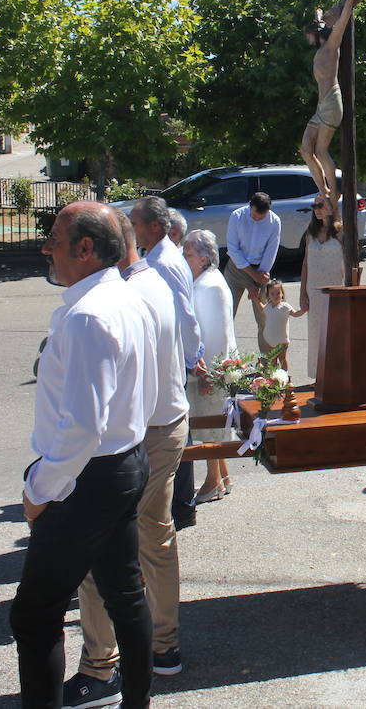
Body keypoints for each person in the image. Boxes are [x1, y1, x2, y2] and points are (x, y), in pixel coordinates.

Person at [9, 202, 156, 709]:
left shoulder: (91, 314)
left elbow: (83, 428)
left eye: (55, 237)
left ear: (86, 249)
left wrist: (38, 490)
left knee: (34, 614)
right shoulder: (121, 296)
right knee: (124, 595)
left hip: (88, 478)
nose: (47, 247)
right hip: (120, 464)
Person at [64, 211, 189, 708]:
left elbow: (99, 395)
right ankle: (164, 645)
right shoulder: (153, 279)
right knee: (154, 537)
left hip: (138, 434)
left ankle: (100, 668)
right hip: (161, 423)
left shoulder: (119, 296)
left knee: (100, 550)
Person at [130, 196, 205, 534]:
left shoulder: (163, 263)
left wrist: (192, 358)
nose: (131, 230)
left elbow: (185, 314)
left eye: (135, 224)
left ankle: (182, 506)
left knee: (174, 429)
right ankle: (181, 505)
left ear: (155, 227)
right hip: (172, 356)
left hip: (173, 358)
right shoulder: (157, 256)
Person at [300, 0, 366, 205]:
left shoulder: (331, 46)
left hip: (333, 103)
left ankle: (333, 193)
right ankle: (324, 189)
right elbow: (322, 20)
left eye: (308, 36)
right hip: (321, 106)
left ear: (315, 35)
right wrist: (317, 15)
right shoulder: (318, 51)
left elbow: (343, 21)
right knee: (306, 150)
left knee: (321, 151)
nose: (307, 40)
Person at [181, 228, 236, 503]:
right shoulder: (203, 280)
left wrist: (209, 375)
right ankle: (223, 476)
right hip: (206, 368)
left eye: (188, 253)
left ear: (203, 258)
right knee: (208, 426)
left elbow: (218, 334)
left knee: (210, 428)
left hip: (210, 370)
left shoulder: (212, 285)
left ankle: (212, 480)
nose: (184, 257)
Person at [224, 192, 282, 349]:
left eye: (262, 215)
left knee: (264, 318)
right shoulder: (237, 216)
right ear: (250, 206)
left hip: (261, 271)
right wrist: (252, 275)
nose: (257, 218)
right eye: (255, 214)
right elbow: (233, 249)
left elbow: (271, 252)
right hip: (236, 268)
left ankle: (266, 363)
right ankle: (223, 358)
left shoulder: (274, 221)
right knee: (226, 313)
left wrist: (257, 281)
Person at [300, 197, 345, 381]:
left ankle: (337, 375)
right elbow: (305, 264)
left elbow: (350, 262)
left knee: (336, 332)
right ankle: (320, 376)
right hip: (314, 289)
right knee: (316, 333)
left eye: (321, 205)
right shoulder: (310, 232)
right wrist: (303, 292)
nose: (317, 209)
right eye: (314, 206)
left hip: (335, 288)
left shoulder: (341, 232)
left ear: (330, 207)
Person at [260, 279, 302, 367]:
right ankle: (274, 378)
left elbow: (295, 314)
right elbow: (262, 309)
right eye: (272, 294)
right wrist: (256, 300)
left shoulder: (285, 306)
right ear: (268, 295)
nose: (276, 296)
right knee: (272, 359)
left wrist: (304, 310)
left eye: (278, 293)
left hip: (282, 340)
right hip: (269, 338)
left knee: (282, 359)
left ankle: (285, 376)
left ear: (282, 293)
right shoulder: (268, 306)